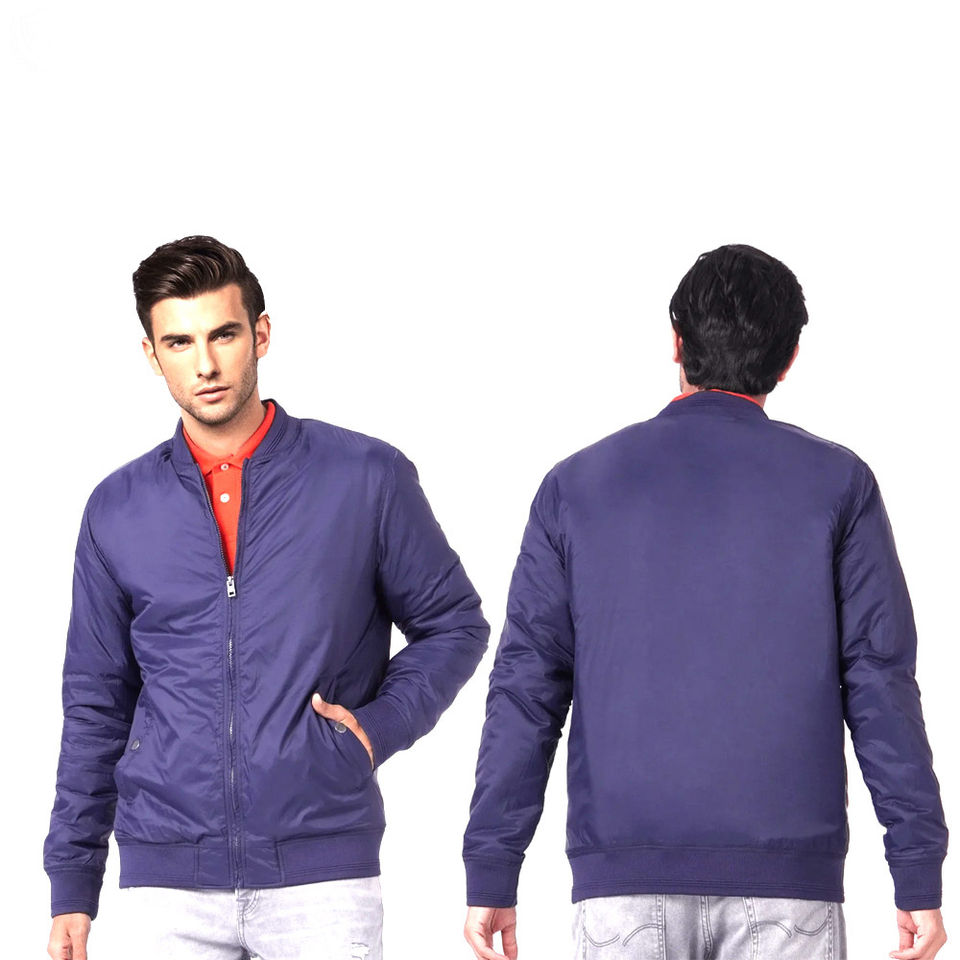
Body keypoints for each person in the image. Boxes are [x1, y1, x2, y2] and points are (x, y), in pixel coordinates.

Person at [461, 244, 948, 960]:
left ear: (676, 342)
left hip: (623, 881)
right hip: (788, 883)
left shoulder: (576, 486)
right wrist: (916, 870)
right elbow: (881, 686)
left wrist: (492, 869)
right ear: (788, 360)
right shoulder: (838, 483)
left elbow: (526, 691)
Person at [43, 235, 490, 960]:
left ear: (262, 334)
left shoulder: (364, 478)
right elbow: (96, 701)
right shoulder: (117, 509)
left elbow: (454, 625)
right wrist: (72, 880)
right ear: (153, 355)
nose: (206, 364)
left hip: (323, 878)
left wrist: (374, 729)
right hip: (167, 886)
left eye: (223, 335)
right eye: (180, 342)